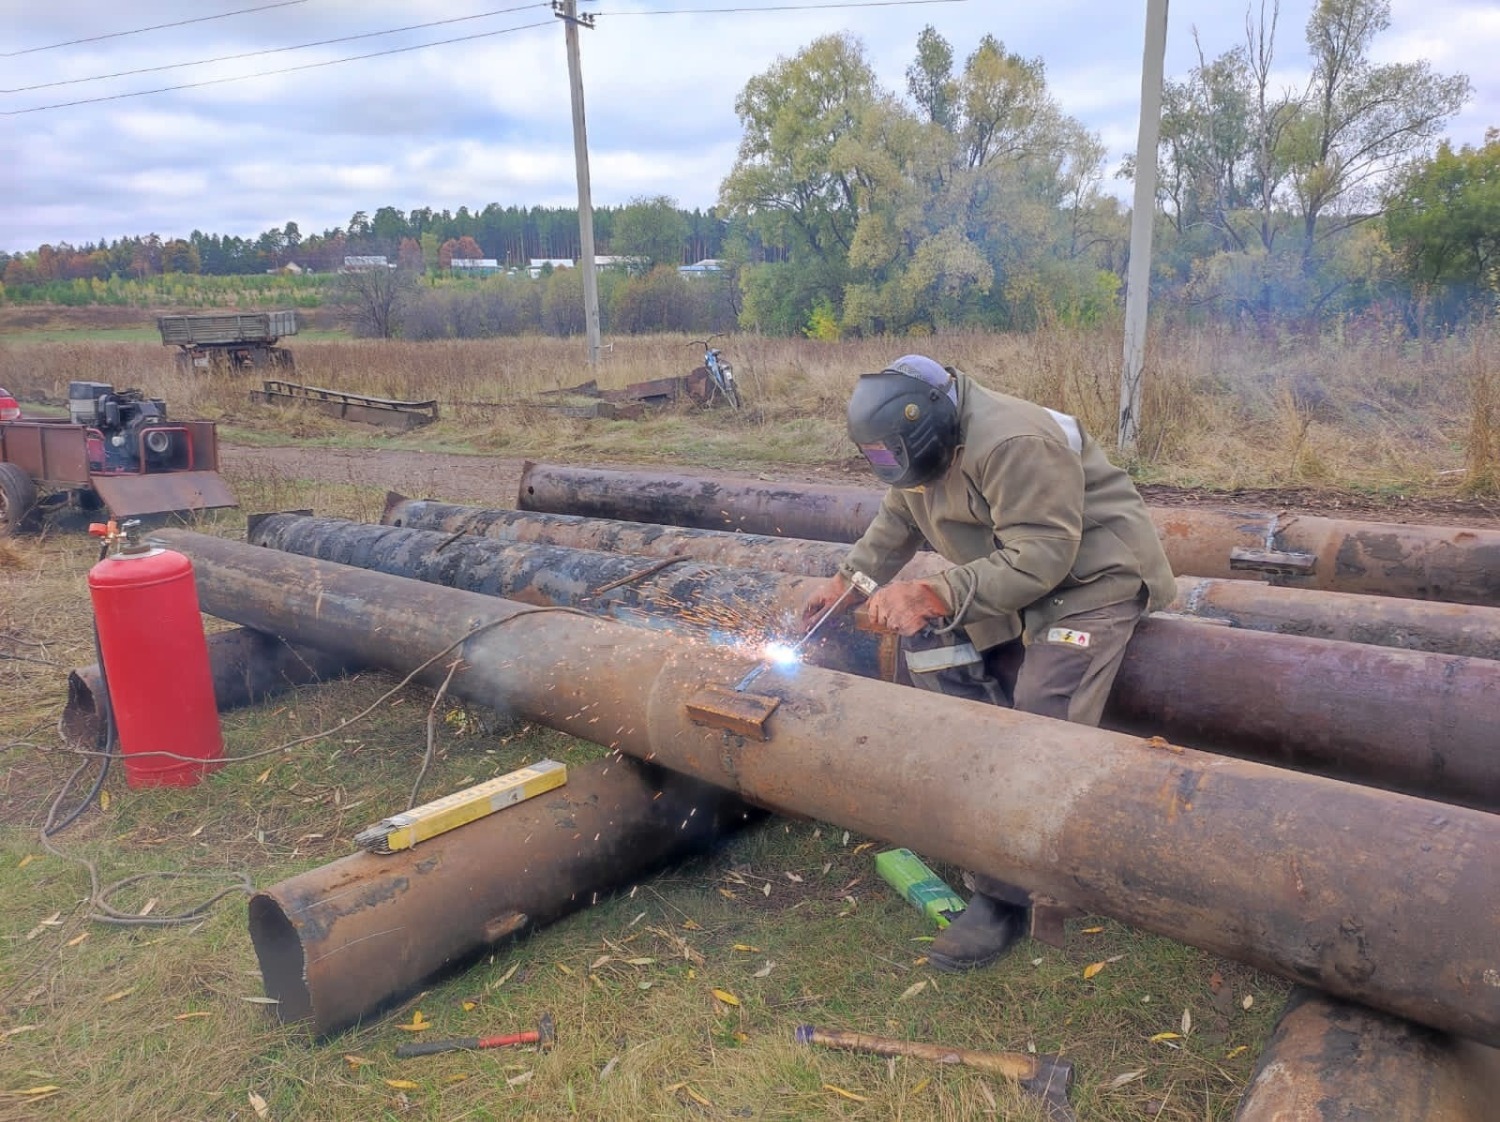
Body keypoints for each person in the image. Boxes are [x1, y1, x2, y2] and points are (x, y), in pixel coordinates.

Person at [800, 355, 1175, 972]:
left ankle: (1004, 897)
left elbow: (1047, 553)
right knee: (931, 645)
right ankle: (991, 778)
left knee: (1040, 718)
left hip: (1086, 584)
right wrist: (849, 581)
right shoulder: (916, 449)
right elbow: (897, 519)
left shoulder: (1014, 441)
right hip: (1013, 576)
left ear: (938, 431)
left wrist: (935, 592)